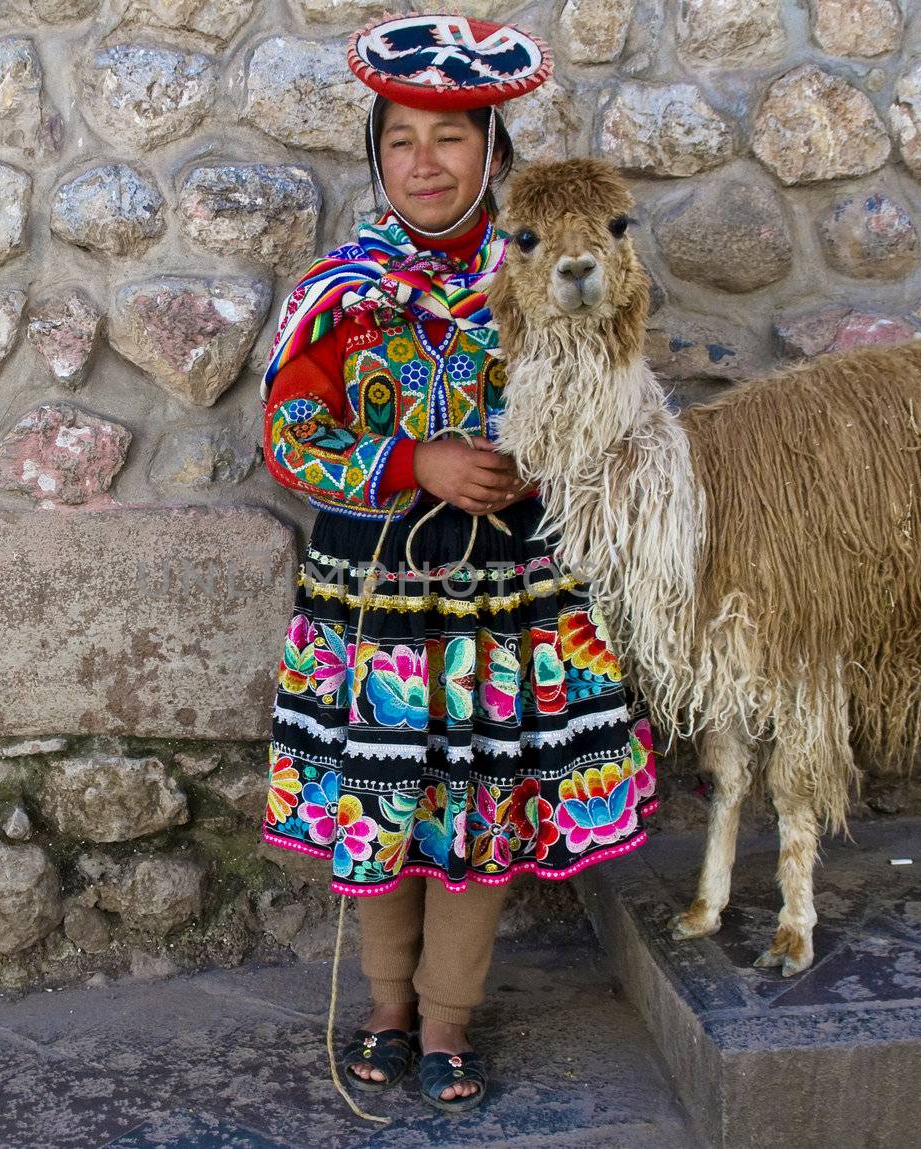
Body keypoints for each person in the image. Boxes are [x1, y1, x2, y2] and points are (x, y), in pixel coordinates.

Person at [258, 14, 659, 1116]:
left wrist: (536, 461)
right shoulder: (345, 290)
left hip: (503, 594)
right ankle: (384, 1006)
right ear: (374, 154)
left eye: (447, 139)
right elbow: (290, 434)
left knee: (474, 807)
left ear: (493, 151)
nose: (421, 164)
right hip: (375, 591)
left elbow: (604, 405)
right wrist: (410, 460)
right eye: (399, 141)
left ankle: (446, 1023)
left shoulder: (543, 277)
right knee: (383, 801)